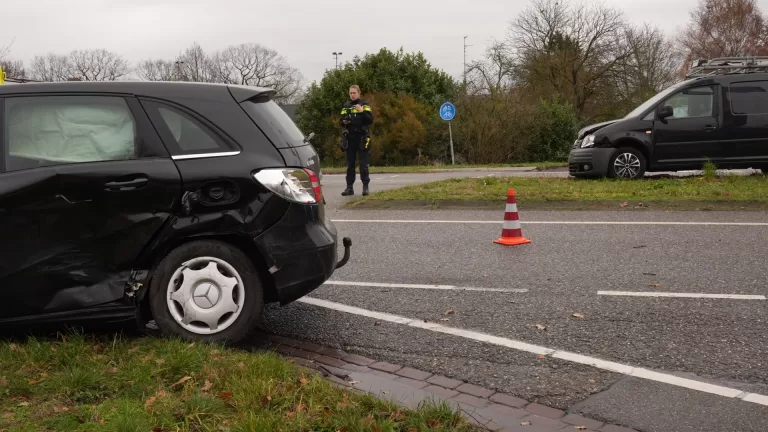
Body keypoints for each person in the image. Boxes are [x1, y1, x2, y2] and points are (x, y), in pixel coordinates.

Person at [339, 85, 374, 196]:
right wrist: (344, 122)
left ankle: (365, 187)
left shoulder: (364, 104)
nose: (352, 95)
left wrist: (362, 111)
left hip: (362, 137)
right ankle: (349, 188)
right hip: (350, 138)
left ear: (359, 93)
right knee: (350, 164)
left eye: (354, 93)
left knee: (363, 164)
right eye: (351, 93)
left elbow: (370, 120)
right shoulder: (346, 106)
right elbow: (340, 120)